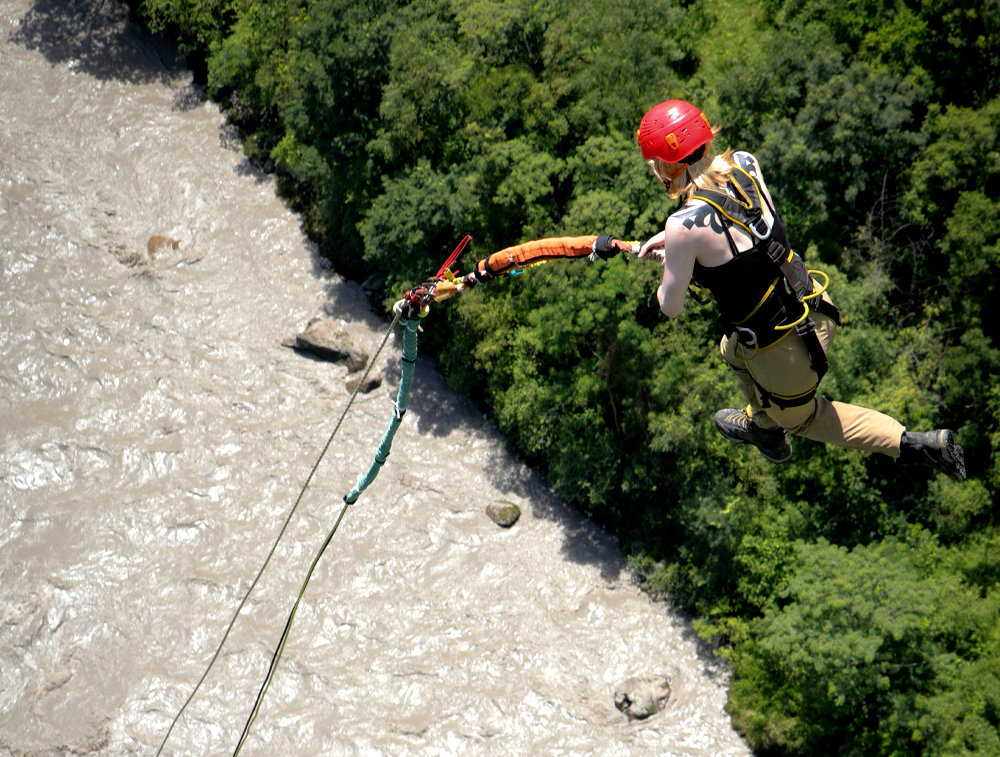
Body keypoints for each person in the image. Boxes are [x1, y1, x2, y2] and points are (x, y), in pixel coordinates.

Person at [626, 99, 966, 481]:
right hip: (816, 307)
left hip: (784, 358)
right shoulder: (745, 163)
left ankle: (917, 444)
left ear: (668, 164)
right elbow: (738, 229)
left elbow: (669, 306)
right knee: (731, 347)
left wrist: (671, 259)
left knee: (805, 419)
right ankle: (763, 424)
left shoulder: (682, 228)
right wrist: (675, 246)